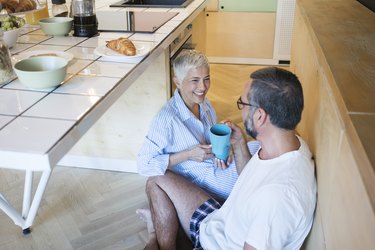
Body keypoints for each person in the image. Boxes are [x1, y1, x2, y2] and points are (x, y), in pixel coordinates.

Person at [139, 67, 317, 249]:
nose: (241, 110)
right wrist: (239, 143)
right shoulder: (290, 144)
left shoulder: (277, 198)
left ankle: (155, 235)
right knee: (157, 179)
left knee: (153, 187)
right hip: (220, 220)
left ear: (260, 116)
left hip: (214, 243)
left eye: (243, 104)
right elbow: (251, 177)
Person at [137, 49, 259, 202]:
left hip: (216, 165)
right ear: (177, 82)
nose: (203, 87)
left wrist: (225, 150)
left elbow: (211, 143)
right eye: (195, 80)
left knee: (258, 146)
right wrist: (188, 154)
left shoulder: (204, 104)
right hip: (200, 181)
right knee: (251, 183)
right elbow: (143, 165)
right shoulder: (166, 120)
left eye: (206, 79)